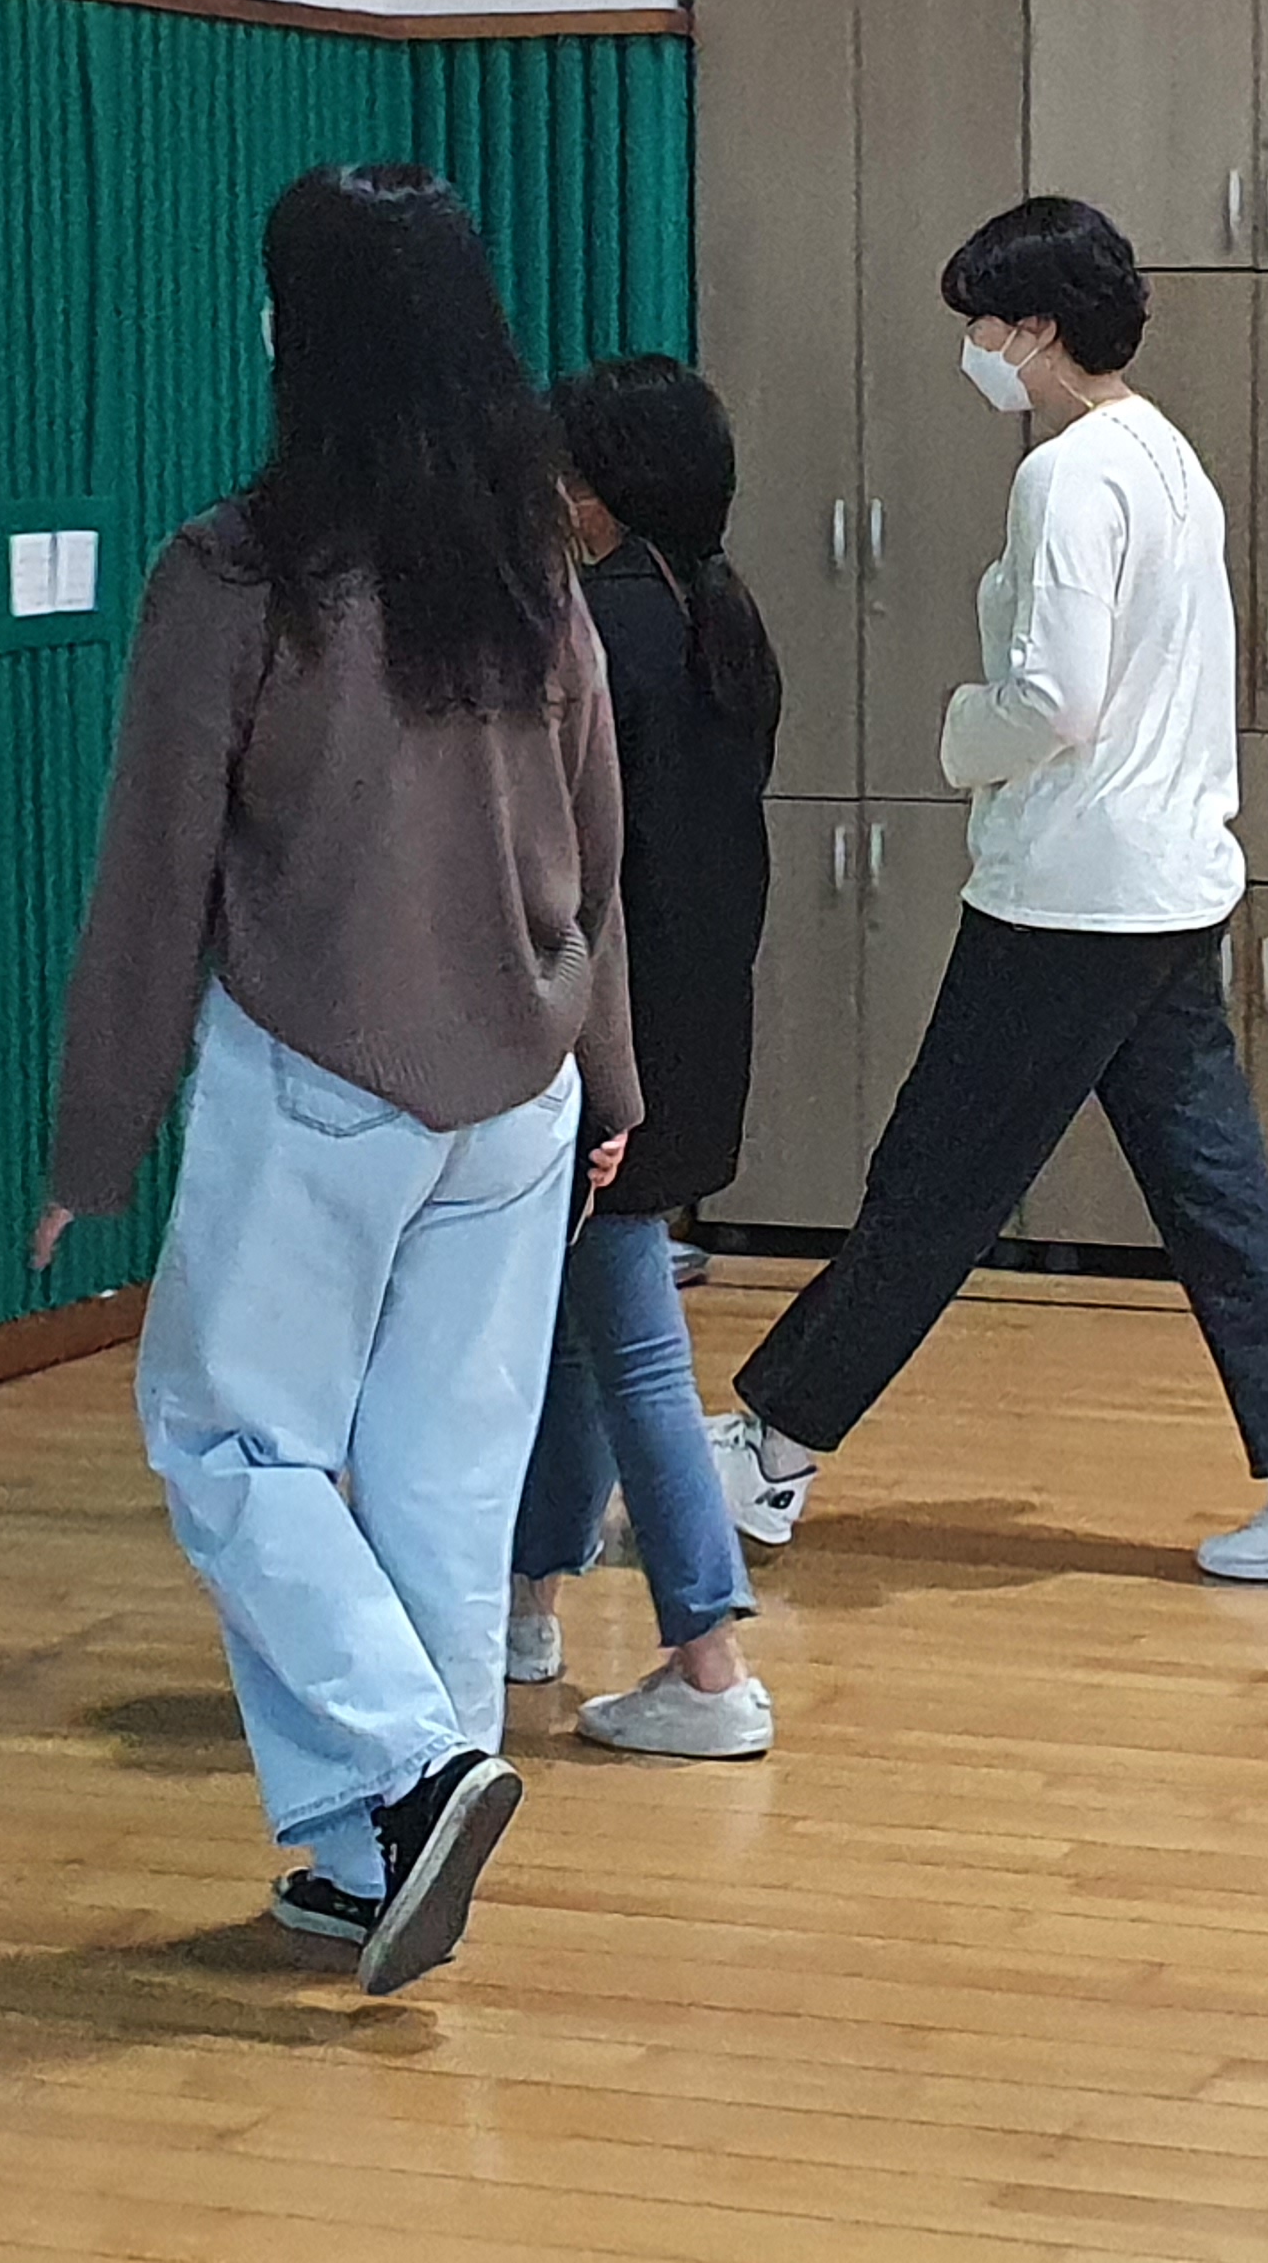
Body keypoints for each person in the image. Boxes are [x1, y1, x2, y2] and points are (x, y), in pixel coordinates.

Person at [35, 163, 636, 2000]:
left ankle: (411, 1770)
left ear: (299, 330)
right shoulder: (529, 566)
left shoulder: (239, 571)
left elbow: (155, 871)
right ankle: (384, 1860)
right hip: (521, 1089)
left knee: (230, 1440)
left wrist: (91, 1137)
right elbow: (599, 846)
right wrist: (612, 1078)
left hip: (323, 1078)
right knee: (443, 1478)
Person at [708, 196, 1268, 1589]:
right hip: (1169, 884)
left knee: (936, 1179)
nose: (973, 348)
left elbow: (1055, 702)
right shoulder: (1170, 459)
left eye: (983, 324)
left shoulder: (1067, 476)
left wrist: (960, 733)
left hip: (1068, 896)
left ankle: (769, 1453)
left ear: (1039, 328)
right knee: (1217, 1195)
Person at [506, 357, 783, 1762]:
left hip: (602, 1044)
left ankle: (710, 1666)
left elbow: (561, 865)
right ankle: (527, 1603)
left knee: (633, 1349)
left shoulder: (589, 631)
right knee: (583, 1332)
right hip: (697, 1029)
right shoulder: (723, 615)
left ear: (595, 491)